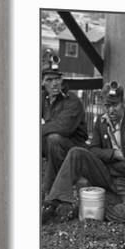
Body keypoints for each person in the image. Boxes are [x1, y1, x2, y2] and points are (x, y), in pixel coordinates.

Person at [42, 80, 125, 223]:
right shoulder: (101, 122)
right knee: (77, 153)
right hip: (106, 176)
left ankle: (95, 205)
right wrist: (113, 154)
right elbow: (92, 150)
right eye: (107, 105)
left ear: (123, 102)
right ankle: (53, 202)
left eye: (115, 105)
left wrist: (108, 166)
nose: (111, 110)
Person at [41, 67, 88, 196]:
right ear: (42, 82)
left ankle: (51, 192)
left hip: (75, 147)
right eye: (49, 80)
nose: (55, 83)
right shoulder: (43, 98)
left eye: (57, 79)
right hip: (53, 145)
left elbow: (64, 127)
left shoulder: (72, 100)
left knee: (53, 139)